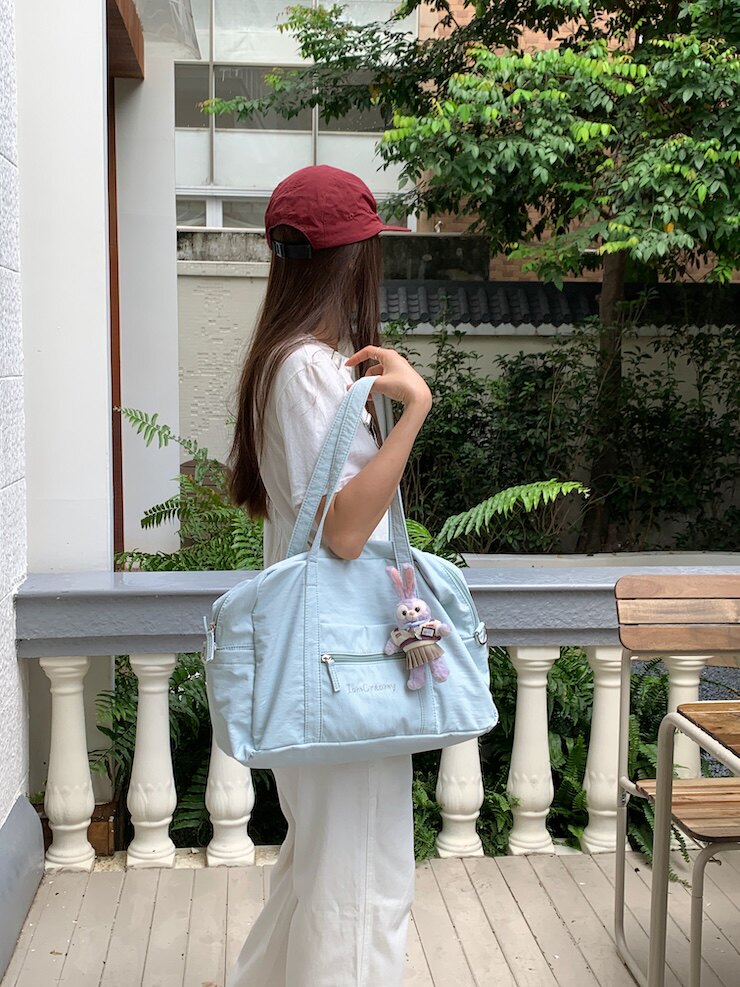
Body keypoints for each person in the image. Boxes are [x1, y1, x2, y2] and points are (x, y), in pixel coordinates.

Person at [224, 164, 433, 987]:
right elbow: (346, 531)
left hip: (316, 658)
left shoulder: (283, 363)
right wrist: (412, 411)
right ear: (351, 260)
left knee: (319, 868)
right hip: (345, 662)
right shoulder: (311, 370)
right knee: (362, 882)